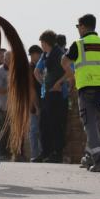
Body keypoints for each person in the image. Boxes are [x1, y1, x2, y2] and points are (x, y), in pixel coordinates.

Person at [62, 14, 100, 173]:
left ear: (82, 27)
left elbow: (64, 61)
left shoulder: (78, 44)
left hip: (87, 89)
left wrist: (72, 75)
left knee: (89, 125)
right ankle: (89, 157)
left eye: (78, 27)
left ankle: (99, 158)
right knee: (96, 125)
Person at [37, 31, 69, 163]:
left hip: (57, 95)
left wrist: (59, 83)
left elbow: (69, 72)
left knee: (56, 124)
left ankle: (57, 153)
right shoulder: (45, 55)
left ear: (47, 42)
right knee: (43, 124)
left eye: (43, 43)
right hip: (47, 94)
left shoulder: (59, 55)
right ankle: (46, 151)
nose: (42, 46)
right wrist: (44, 84)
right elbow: (36, 72)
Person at [0, 52, 13, 160]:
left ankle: (17, 153)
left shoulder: (16, 70)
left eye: (11, 59)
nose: (8, 61)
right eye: (7, 59)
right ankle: (2, 153)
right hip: (3, 106)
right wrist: (11, 89)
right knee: (4, 130)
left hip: (15, 107)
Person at [28, 45, 44, 162]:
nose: (40, 56)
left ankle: (39, 154)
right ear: (34, 55)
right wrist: (36, 106)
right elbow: (31, 89)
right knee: (34, 130)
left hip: (39, 101)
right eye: (39, 54)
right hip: (34, 103)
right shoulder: (30, 68)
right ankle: (35, 154)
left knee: (40, 129)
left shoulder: (39, 67)